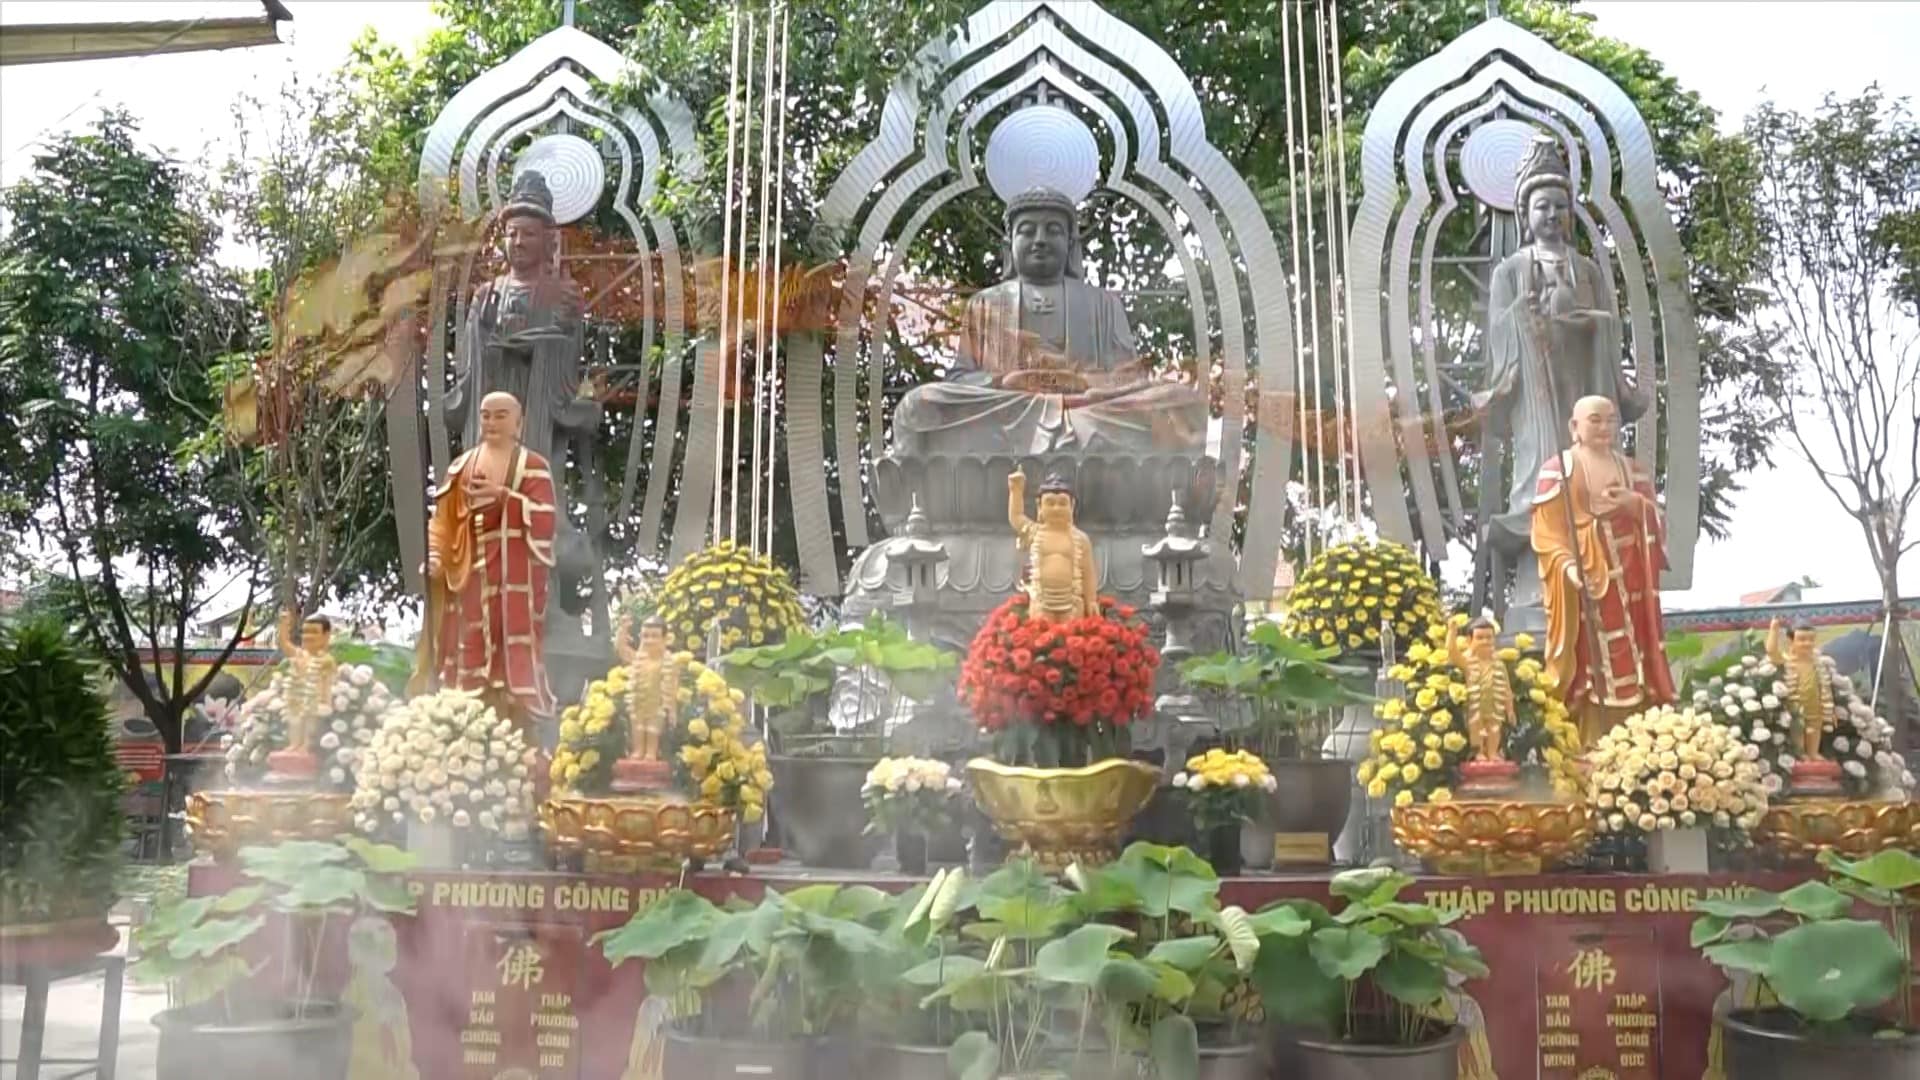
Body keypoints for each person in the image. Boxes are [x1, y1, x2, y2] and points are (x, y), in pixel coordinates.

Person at [891, 186, 1208, 455]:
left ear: (1070, 244)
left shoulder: (1104, 303)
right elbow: (960, 378)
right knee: (918, 404)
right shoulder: (985, 304)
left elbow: (1127, 378)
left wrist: (1090, 388)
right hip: (1008, 410)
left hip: (1090, 409)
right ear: (1009, 244)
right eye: (1027, 231)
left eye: (1053, 230)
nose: (1040, 240)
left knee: (1181, 400)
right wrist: (1003, 382)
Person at [1482, 135, 1649, 557]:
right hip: (1536, 382)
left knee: (1589, 438)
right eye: (1543, 206)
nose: (1553, 214)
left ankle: (1597, 489)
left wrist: (1592, 324)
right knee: (1543, 454)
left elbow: (1611, 322)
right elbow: (1498, 330)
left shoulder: (1587, 270)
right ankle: (1539, 500)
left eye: (1560, 206)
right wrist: (1525, 314)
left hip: (1584, 373)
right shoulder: (1509, 271)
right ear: (1525, 214)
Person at [1530, 395, 1674, 744]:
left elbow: (1656, 522)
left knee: (1634, 651)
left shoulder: (1632, 470)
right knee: (1589, 661)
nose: (1605, 427)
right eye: (1595, 420)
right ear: (1574, 427)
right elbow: (1547, 532)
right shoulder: (1558, 469)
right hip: (1588, 577)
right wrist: (1567, 566)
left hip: (1632, 575)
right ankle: (1589, 739)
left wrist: (1636, 506)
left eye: (1611, 420)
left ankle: (1638, 737)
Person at [415, 391, 557, 726]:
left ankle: (515, 715)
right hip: (468, 570)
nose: (491, 422)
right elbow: (442, 521)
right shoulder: (461, 467)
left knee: (510, 643)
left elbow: (546, 519)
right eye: (486, 415)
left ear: (518, 423)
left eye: (501, 415)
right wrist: (435, 554)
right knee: (468, 639)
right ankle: (464, 714)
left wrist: (505, 498)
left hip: (514, 576)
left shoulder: (533, 466)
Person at [1008, 467, 1098, 622]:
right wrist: (1016, 490)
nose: (1056, 508)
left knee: (1071, 633)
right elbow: (1016, 518)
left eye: (1062, 503)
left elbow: (1088, 573)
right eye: (1050, 503)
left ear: (1072, 506)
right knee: (1041, 631)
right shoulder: (1035, 532)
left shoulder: (1080, 539)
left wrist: (1091, 601)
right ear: (1040, 507)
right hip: (1042, 602)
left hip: (1072, 602)